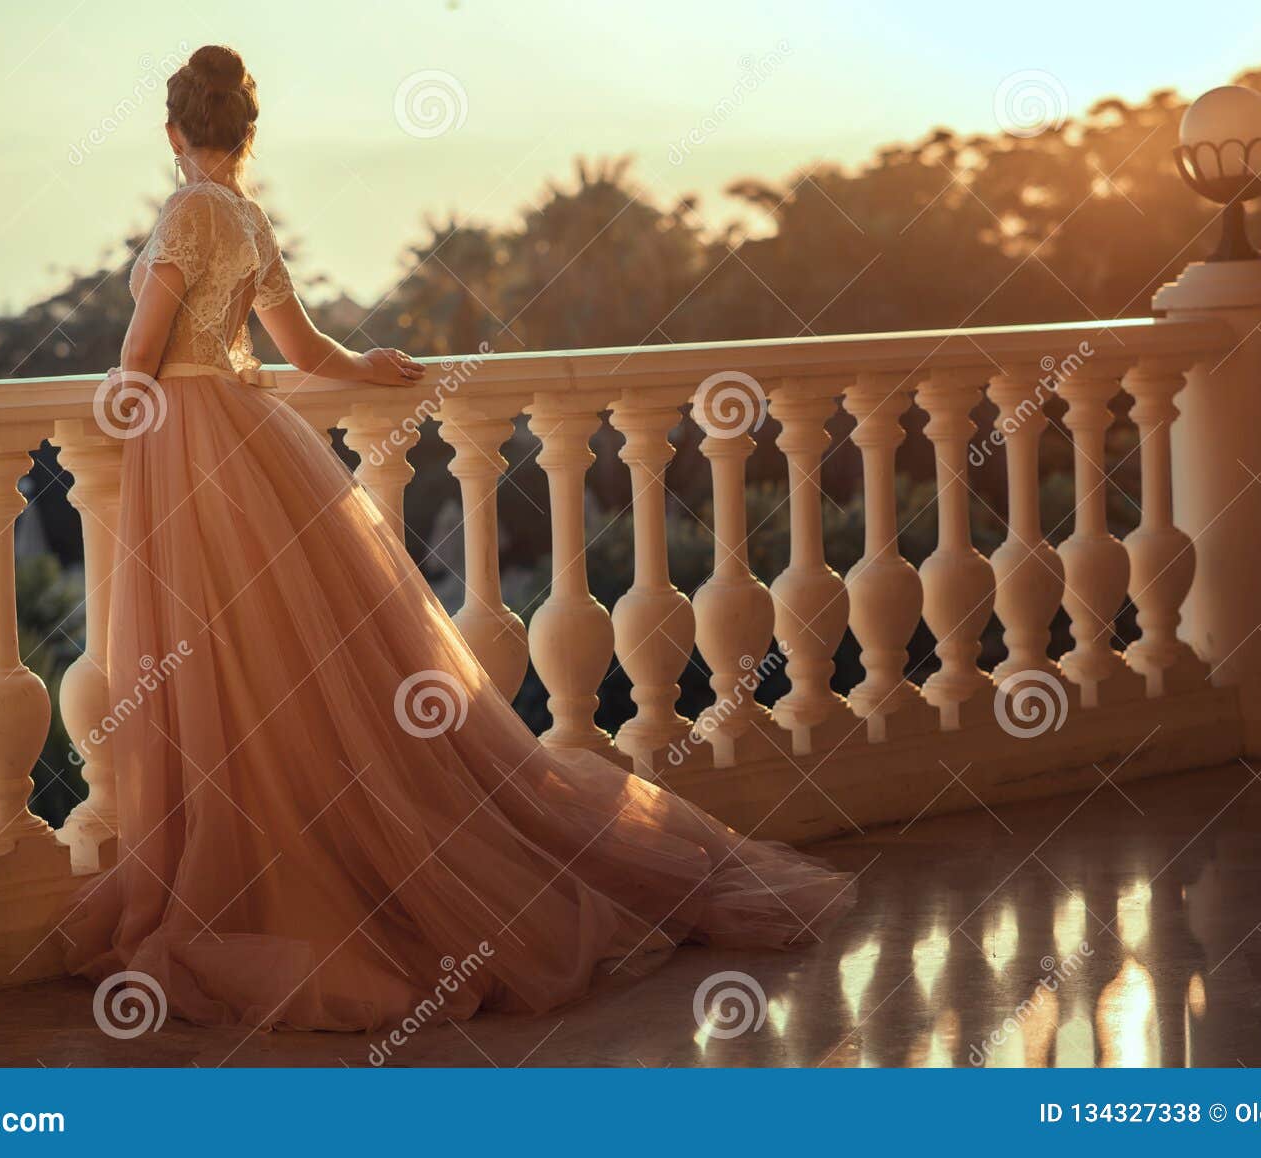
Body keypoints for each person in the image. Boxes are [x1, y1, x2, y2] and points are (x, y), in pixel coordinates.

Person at [65, 44, 853, 1032]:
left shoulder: (185, 211)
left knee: (215, 663)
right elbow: (304, 350)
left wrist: (112, 406)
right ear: (245, 134)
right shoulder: (251, 218)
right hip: (249, 436)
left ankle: (246, 876)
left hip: (187, 447)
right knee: (284, 665)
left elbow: (141, 353)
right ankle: (311, 860)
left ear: (174, 134)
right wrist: (373, 364)